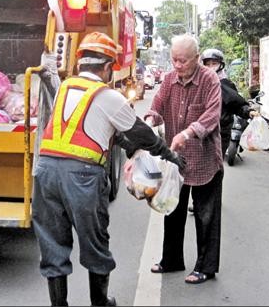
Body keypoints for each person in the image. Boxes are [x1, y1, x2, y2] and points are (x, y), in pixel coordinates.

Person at [32, 31, 185, 306]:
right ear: (106, 68)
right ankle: (100, 302)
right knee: (95, 242)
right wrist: (169, 155)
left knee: (52, 244)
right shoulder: (108, 96)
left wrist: (125, 145)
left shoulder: (64, 87)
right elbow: (143, 135)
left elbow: (93, 128)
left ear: (81, 63)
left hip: (45, 172)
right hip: (81, 177)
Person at [144, 34, 223, 285]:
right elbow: (156, 107)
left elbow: (212, 115)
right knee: (173, 211)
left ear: (197, 59)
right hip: (176, 161)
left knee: (205, 216)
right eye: (174, 60)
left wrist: (187, 133)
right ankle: (172, 260)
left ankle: (205, 267)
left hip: (205, 160)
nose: (178, 66)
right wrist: (149, 121)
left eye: (183, 61)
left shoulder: (209, 79)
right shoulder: (169, 80)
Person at [200, 48, 259, 162]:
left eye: (214, 63)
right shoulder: (199, 83)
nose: (211, 67)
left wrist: (249, 111)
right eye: (208, 64)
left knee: (215, 167)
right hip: (201, 132)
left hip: (221, 132)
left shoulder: (225, 84)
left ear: (221, 65)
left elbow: (237, 104)